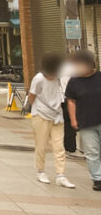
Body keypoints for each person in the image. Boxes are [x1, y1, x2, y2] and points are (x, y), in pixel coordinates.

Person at [28, 53, 75, 188]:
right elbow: (32, 96)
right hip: (41, 115)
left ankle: (61, 175)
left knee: (59, 146)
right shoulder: (39, 79)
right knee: (41, 145)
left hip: (57, 115)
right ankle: (41, 171)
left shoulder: (58, 77)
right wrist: (37, 108)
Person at [65, 50, 101, 191]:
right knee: (92, 152)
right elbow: (71, 101)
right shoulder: (74, 82)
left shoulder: (99, 77)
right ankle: (97, 179)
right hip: (85, 122)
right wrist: (73, 119)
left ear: (89, 64)